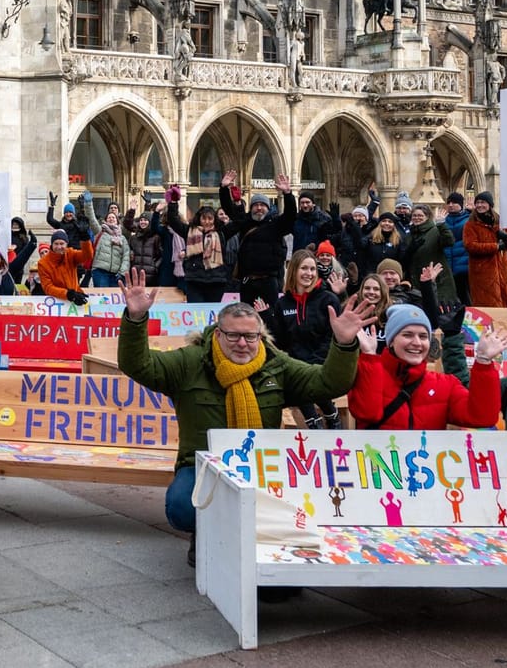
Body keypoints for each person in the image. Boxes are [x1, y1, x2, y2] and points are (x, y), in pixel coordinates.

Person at [116, 272, 373, 567]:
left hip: (264, 466)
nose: (242, 343)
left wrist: (342, 344)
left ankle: (260, 540)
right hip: (202, 465)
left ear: (260, 336)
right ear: (217, 334)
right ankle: (203, 534)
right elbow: (138, 364)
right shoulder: (190, 362)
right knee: (182, 507)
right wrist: (135, 320)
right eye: (233, 335)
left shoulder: (276, 365)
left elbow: (329, 383)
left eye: (250, 336)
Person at [347, 304, 507, 429]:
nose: (417, 343)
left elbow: (482, 417)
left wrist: (483, 362)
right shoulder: (372, 372)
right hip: (379, 468)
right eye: (407, 335)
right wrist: (368, 355)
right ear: (391, 341)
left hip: (425, 470)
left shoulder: (445, 384)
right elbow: (366, 413)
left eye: (423, 336)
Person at [260, 248, 346, 428]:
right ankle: (317, 424)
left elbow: (332, 335)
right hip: (296, 365)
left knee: (307, 383)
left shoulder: (327, 299)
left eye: (312, 269)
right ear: (294, 271)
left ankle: (332, 418)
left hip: (321, 363)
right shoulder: (283, 303)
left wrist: (315, 362)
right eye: (304, 269)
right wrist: (267, 317)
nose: (309, 273)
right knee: (297, 383)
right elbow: (281, 340)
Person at [220, 172, 299, 307]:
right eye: (256, 205)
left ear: (268, 208)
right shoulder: (245, 222)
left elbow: (290, 215)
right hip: (247, 281)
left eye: (263, 205)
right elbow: (229, 209)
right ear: (251, 208)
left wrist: (287, 194)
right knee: (247, 316)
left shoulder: (275, 224)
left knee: (270, 317)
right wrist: (223, 188)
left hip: (269, 282)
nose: (259, 208)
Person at [170, 204, 233, 304]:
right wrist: (173, 202)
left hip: (216, 281)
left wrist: (235, 203)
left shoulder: (221, 233)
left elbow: (240, 222)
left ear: (214, 219)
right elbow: (173, 221)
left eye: (210, 218)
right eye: (203, 218)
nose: (207, 222)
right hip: (194, 280)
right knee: (196, 314)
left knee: (212, 315)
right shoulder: (189, 231)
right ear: (199, 218)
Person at [400, 202, 460, 307]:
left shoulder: (435, 231)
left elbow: (449, 241)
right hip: (416, 280)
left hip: (438, 280)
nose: (417, 218)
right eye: (414, 215)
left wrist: (442, 225)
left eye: (420, 215)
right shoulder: (409, 235)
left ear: (427, 217)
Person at [462, 192, 507, 308]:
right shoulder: (470, 224)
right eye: (478, 203)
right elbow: (470, 246)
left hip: (503, 271)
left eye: (483, 202)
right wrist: (496, 246)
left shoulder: (499, 221)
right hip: (483, 272)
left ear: (490, 205)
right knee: (487, 307)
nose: (480, 205)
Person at [36, 232, 94, 304]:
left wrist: (85, 240)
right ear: (52, 245)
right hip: (56, 300)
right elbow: (48, 287)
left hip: (75, 297)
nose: (59, 247)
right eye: (56, 244)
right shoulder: (43, 263)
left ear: (66, 244)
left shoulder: (71, 254)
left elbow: (87, 256)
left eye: (62, 244)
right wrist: (67, 294)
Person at [441, 192, 472, 304]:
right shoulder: (443, 219)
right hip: (447, 265)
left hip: (464, 265)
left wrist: (473, 212)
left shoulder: (469, 218)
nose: (450, 205)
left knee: (466, 298)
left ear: (460, 204)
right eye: (448, 202)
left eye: (454, 202)